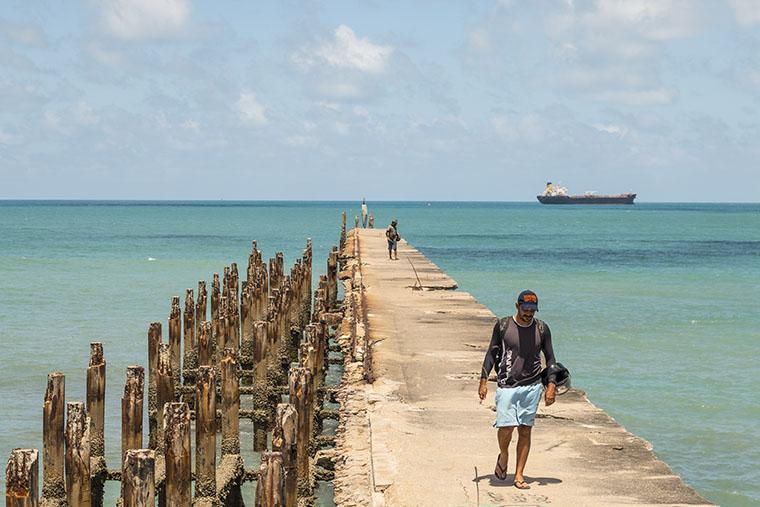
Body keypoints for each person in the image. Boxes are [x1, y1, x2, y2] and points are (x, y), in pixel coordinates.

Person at [478, 290, 557, 489]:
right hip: (507, 385)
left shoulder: (542, 328)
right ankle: (503, 454)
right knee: (506, 429)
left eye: (532, 310)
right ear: (517, 306)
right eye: (525, 309)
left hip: (531, 386)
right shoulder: (503, 325)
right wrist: (483, 379)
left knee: (525, 430)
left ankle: (519, 475)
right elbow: (491, 352)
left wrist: (551, 385)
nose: (529, 313)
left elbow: (550, 358)